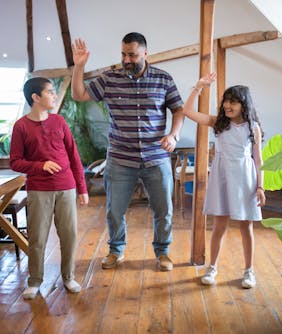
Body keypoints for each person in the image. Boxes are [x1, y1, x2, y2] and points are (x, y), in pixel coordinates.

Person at [71, 32, 184, 271]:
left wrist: (173, 135)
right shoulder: (109, 79)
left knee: (164, 210)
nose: (126, 59)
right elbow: (78, 94)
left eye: (132, 55)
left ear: (145, 53)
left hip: (156, 157)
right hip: (120, 159)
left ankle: (163, 252)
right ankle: (116, 250)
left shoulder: (164, 79)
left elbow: (178, 110)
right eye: (123, 54)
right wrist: (79, 67)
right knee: (114, 210)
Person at [182, 73, 266, 288]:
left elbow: (258, 159)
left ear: (243, 104)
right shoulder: (217, 123)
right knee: (219, 224)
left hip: (245, 177)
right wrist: (198, 87)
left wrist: (260, 186)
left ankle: (249, 271)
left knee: (246, 226)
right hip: (221, 176)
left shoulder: (252, 127)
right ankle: (212, 267)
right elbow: (188, 112)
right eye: (226, 101)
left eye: (233, 101)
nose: (227, 105)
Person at [10, 77, 89, 299]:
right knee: (38, 237)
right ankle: (35, 281)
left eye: (54, 92)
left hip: (67, 188)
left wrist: (82, 189)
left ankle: (68, 277)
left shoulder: (59, 122)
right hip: (38, 189)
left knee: (69, 235)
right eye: (50, 92)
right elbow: (15, 161)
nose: (54, 96)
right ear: (36, 97)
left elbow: (74, 156)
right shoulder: (21, 126)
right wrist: (40, 165)